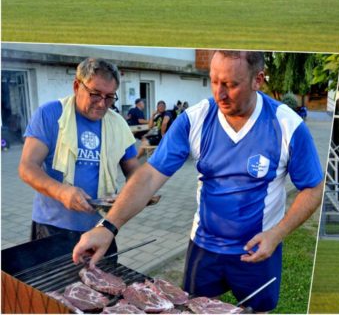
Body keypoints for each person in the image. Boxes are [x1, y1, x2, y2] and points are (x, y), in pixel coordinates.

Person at [73, 51, 324, 312]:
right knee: (190, 308)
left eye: (231, 84)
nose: (219, 94)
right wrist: (108, 226)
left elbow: (313, 188)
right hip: (204, 249)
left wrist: (277, 233)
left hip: (259, 250)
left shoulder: (287, 125)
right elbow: (148, 177)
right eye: (214, 81)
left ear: (257, 80)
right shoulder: (195, 119)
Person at [18, 58, 139, 255]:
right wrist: (61, 192)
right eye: (95, 94)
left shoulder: (117, 124)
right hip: (52, 227)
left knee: (102, 283)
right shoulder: (49, 114)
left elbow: (134, 170)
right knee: (51, 285)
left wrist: (132, 194)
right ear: (77, 86)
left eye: (109, 97)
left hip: (100, 228)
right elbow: (27, 167)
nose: (102, 104)